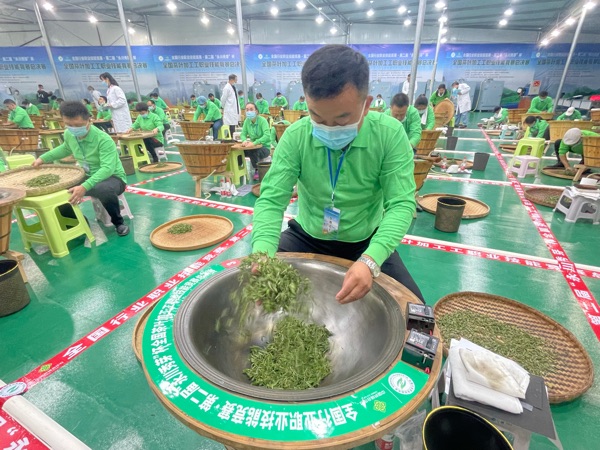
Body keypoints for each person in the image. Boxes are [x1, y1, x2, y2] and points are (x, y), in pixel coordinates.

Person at [252, 44, 423, 304]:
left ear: (366, 105)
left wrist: (371, 260)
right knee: (256, 290)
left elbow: (401, 204)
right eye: (317, 117)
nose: (329, 128)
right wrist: (263, 252)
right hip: (308, 237)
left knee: (416, 313)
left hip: (366, 241)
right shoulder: (296, 136)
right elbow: (271, 200)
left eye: (342, 119)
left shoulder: (389, 134)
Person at [32, 101, 129, 236]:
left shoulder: (103, 140)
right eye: (69, 125)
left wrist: (84, 186)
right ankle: (77, 222)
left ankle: (118, 222)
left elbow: (107, 169)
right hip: (87, 174)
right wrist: (42, 159)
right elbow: (65, 148)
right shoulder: (69, 134)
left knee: (103, 189)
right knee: (59, 188)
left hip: (113, 178)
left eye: (78, 125)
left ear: (89, 120)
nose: (73, 129)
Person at [240, 102, 271, 175]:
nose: (249, 111)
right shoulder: (247, 121)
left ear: (256, 111)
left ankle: (257, 171)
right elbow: (243, 134)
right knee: (239, 152)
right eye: (247, 110)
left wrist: (254, 143)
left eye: (251, 109)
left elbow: (267, 136)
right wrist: (244, 140)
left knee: (254, 152)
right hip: (252, 146)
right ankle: (240, 170)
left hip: (264, 147)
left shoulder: (262, 121)